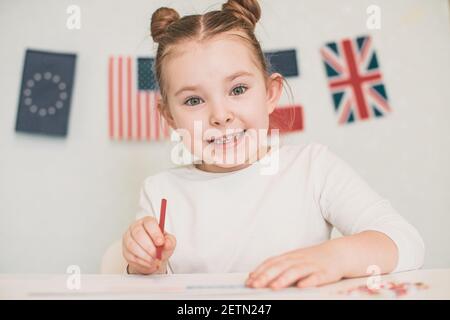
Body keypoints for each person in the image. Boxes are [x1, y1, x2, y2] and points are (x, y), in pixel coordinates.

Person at [122, 0, 424, 289]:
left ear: (270, 93)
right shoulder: (160, 191)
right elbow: (148, 285)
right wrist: (144, 264)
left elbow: (405, 241)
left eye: (238, 89)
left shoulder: (313, 168)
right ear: (169, 116)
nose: (221, 115)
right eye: (194, 100)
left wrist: (334, 257)